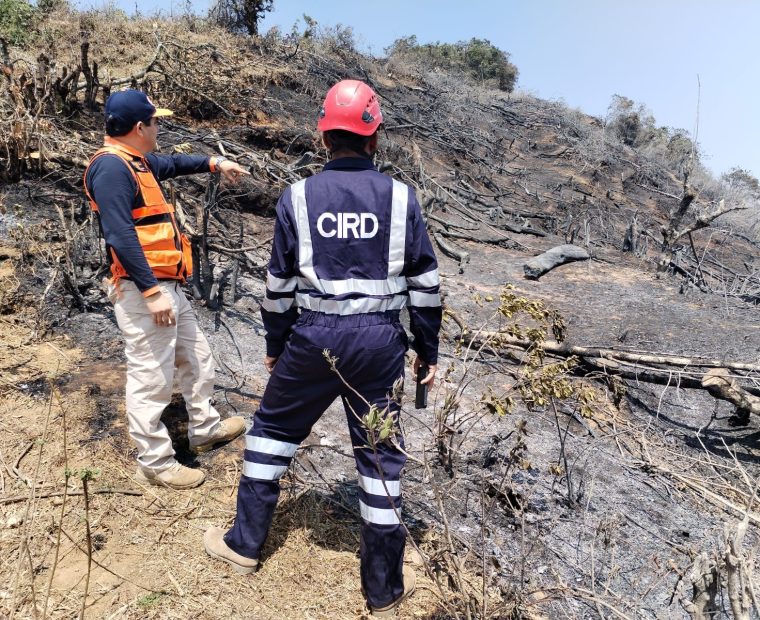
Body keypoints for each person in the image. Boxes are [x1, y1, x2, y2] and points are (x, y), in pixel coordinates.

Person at [203, 80, 442, 616]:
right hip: (380, 344)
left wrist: (276, 345)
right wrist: (428, 351)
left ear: (324, 137)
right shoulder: (402, 199)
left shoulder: (298, 197)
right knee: (379, 457)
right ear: (373, 137)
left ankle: (244, 544)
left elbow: (277, 287)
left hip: (313, 340)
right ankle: (383, 589)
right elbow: (426, 285)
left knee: (270, 433)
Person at [83, 89, 249, 490]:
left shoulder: (137, 162)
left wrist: (213, 161)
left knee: (196, 356)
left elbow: (173, 163)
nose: (160, 127)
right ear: (140, 127)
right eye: (156, 122)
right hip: (147, 291)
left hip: (165, 285)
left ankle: (204, 429)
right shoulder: (110, 169)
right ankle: (155, 462)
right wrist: (151, 292)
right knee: (151, 377)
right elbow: (120, 234)